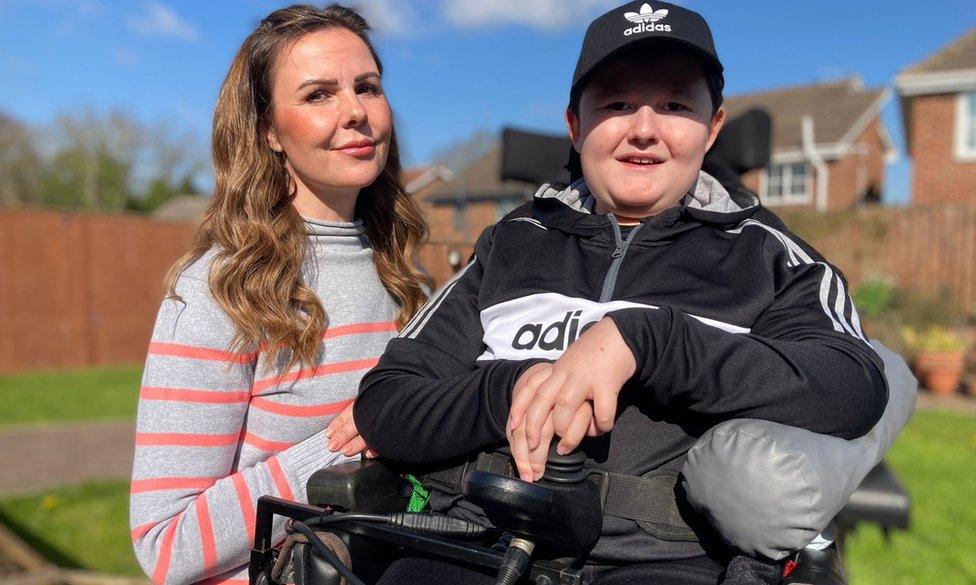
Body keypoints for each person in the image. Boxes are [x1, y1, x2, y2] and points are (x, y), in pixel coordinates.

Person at [347, 2, 888, 583]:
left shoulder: (771, 255)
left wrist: (648, 341)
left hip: (662, 563)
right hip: (468, 541)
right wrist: (515, 386)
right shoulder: (510, 242)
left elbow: (852, 384)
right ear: (576, 128)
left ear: (713, 128)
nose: (645, 129)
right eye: (618, 104)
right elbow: (385, 403)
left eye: (676, 105)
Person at [128, 5, 429, 584]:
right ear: (267, 130)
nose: (355, 112)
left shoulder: (408, 278)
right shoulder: (219, 292)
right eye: (318, 95)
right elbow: (165, 547)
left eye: (367, 87)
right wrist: (345, 445)